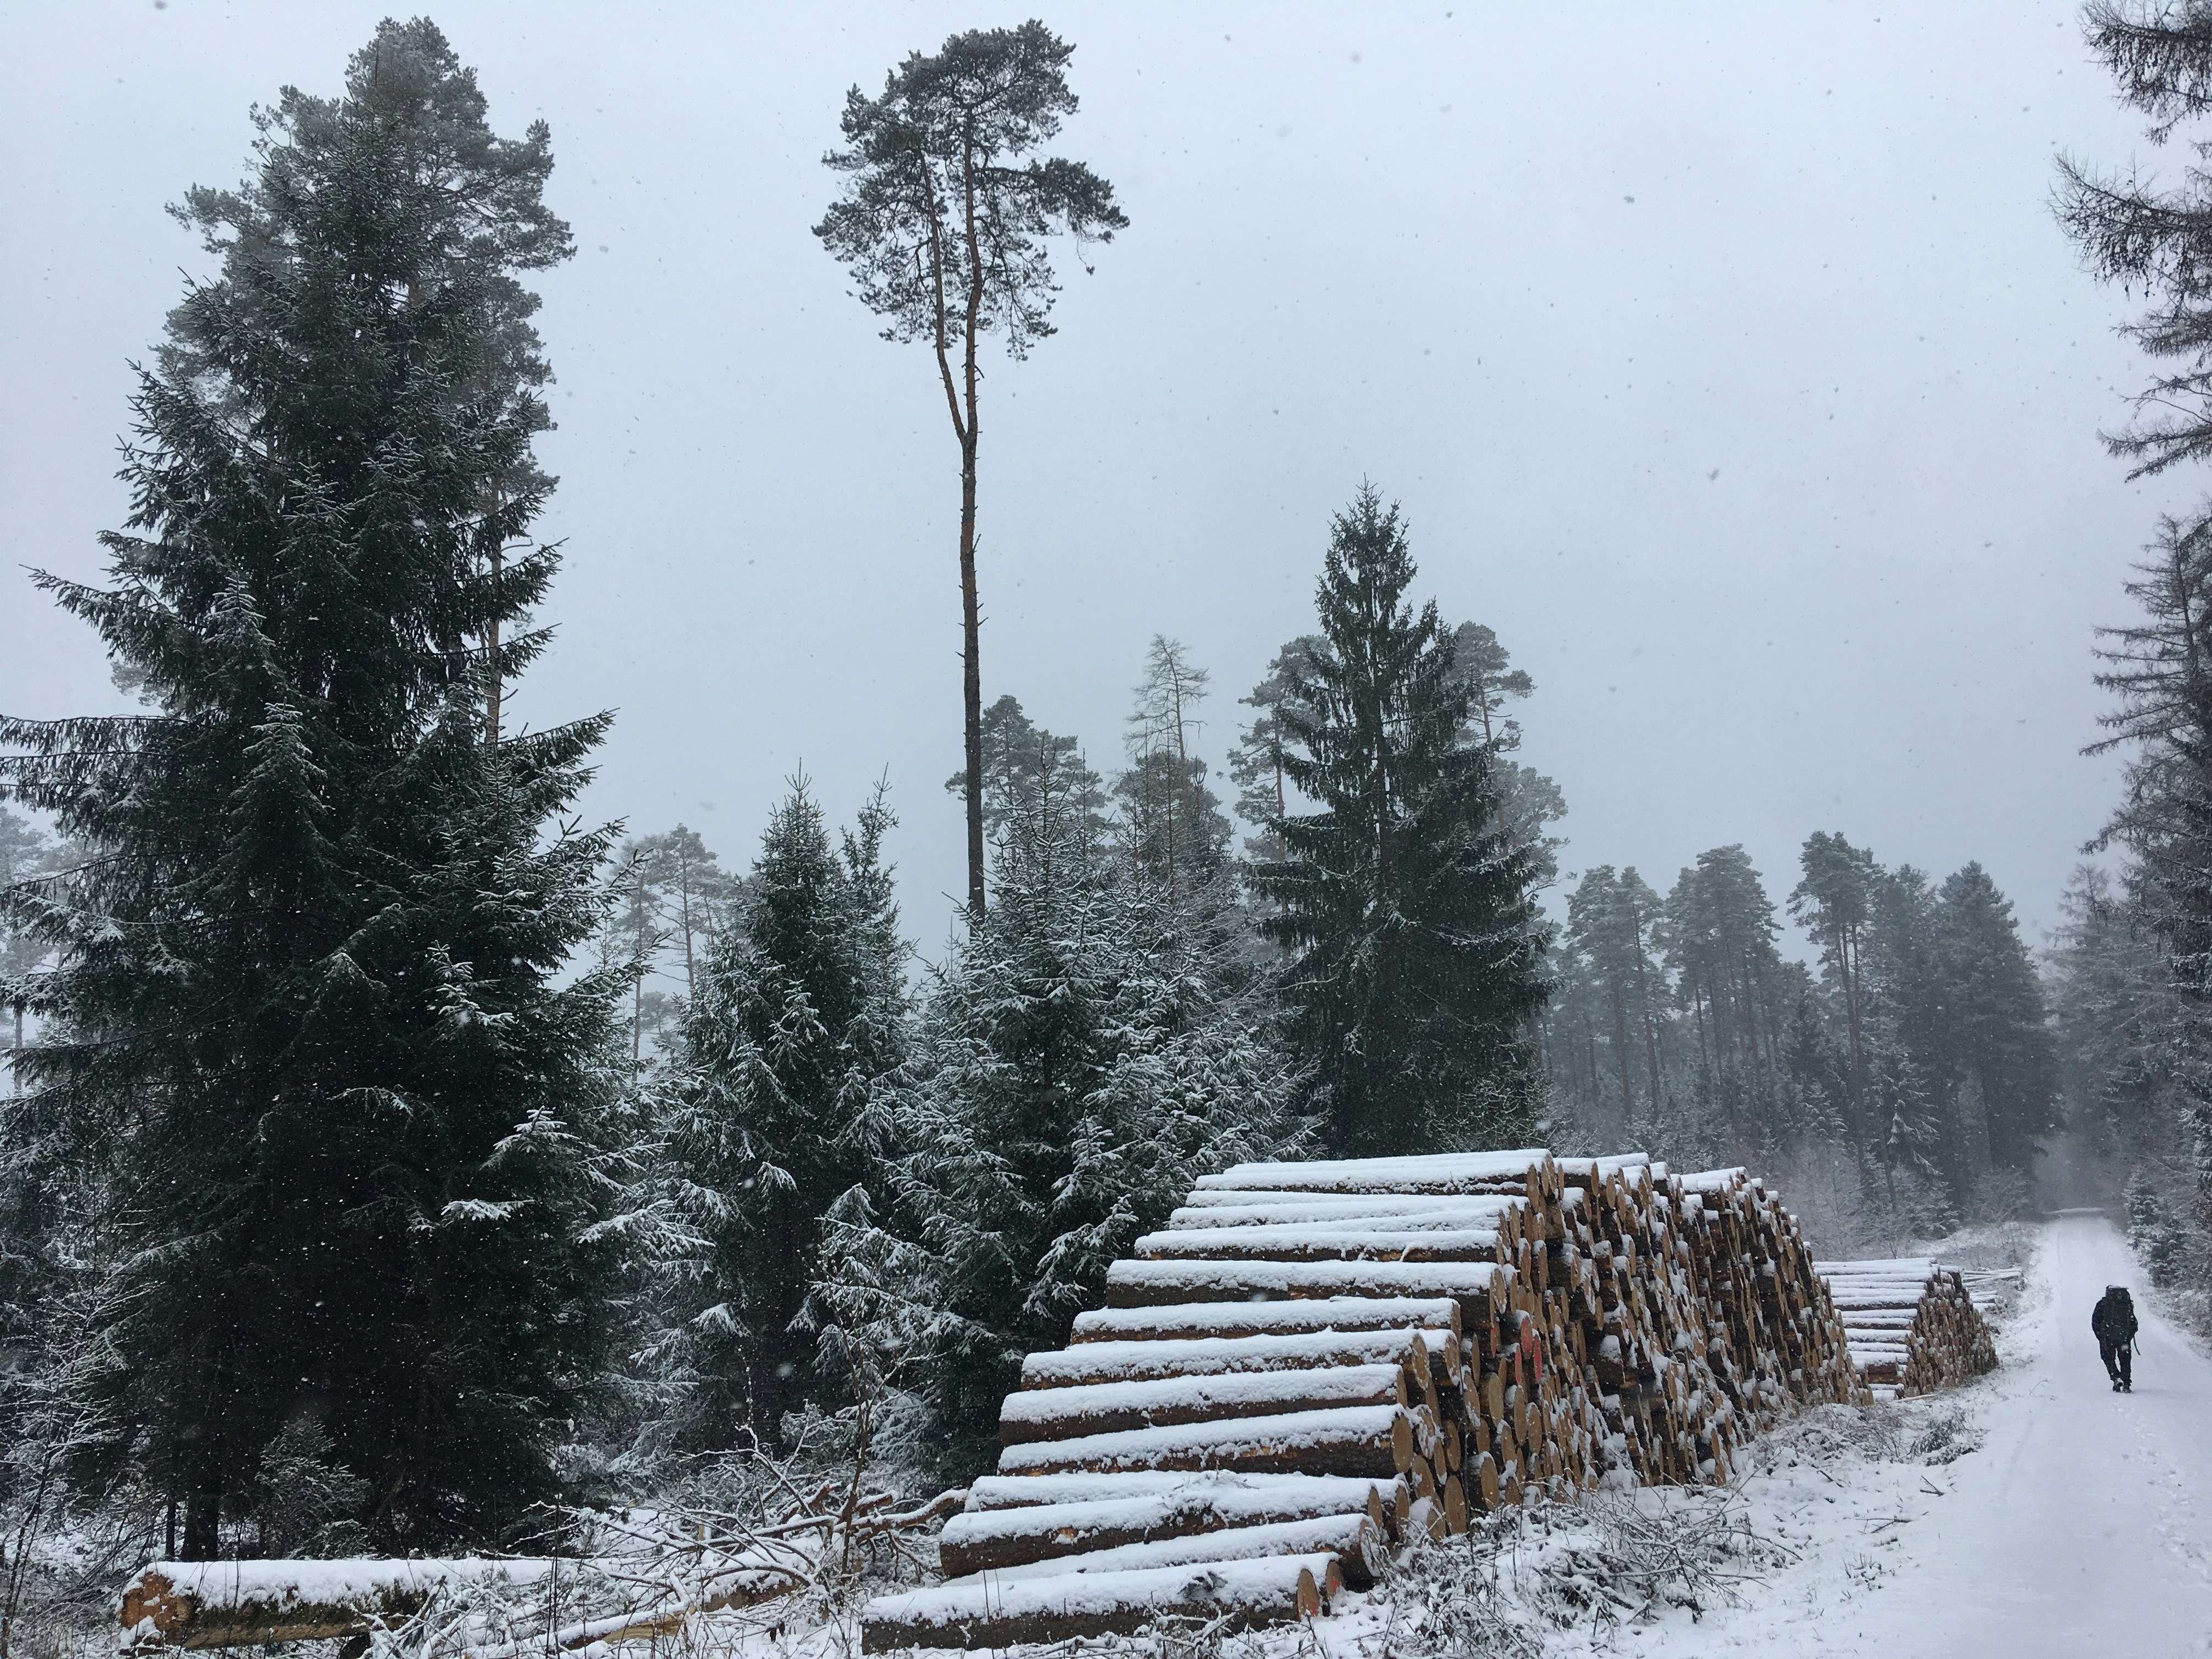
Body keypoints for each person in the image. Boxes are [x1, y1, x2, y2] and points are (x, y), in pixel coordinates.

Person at [2091, 1284, 2137, 1392]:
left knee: (2108, 1358)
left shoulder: (2103, 1304)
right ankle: (2126, 1383)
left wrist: (2101, 1337)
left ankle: (2116, 1377)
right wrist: (2128, 1337)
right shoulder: (2127, 1304)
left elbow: (2095, 1321)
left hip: (2108, 1339)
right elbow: (2134, 1323)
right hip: (2124, 1339)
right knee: (2125, 1359)